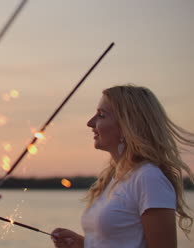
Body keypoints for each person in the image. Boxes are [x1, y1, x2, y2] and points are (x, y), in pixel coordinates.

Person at [51, 85, 194, 248]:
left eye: (101, 115)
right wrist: (83, 244)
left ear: (127, 125)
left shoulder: (149, 178)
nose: (90, 123)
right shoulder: (114, 179)